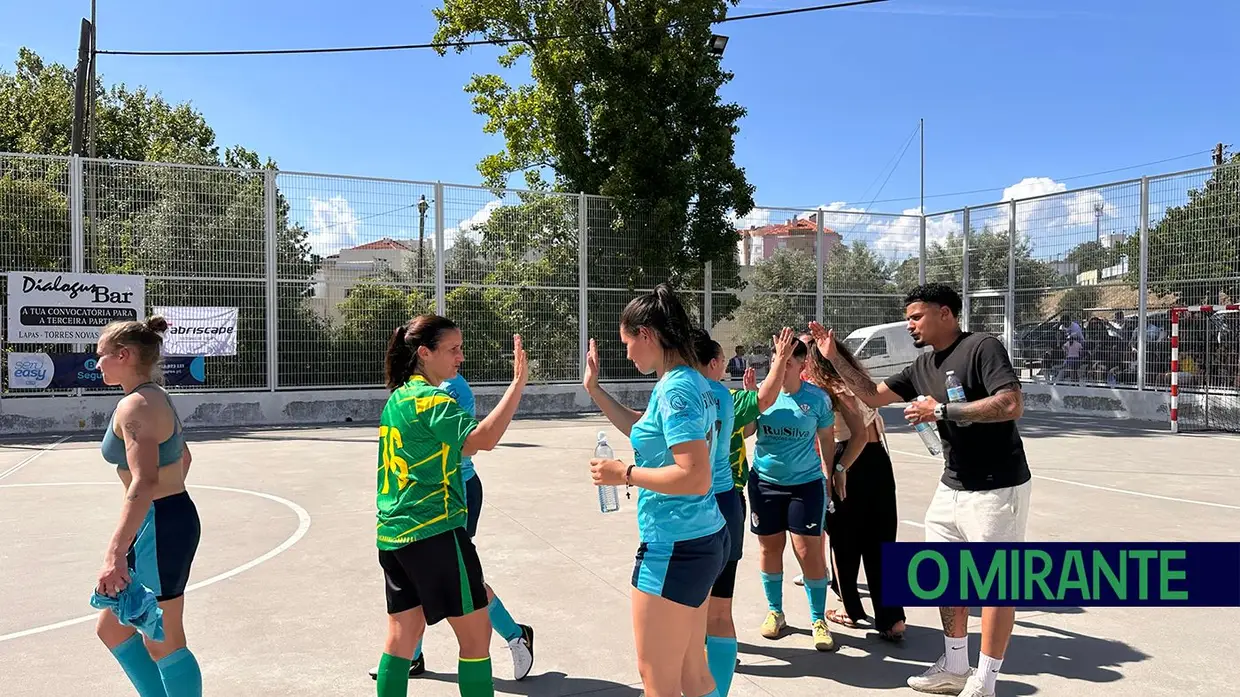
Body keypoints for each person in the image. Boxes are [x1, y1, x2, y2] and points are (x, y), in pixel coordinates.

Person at [809, 282, 1031, 697]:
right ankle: (955, 666)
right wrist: (833, 356)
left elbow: (1011, 404)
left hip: (998, 487)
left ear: (945, 313)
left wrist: (942, 410)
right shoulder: (923, 365)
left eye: (916, 316)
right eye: (908, 318)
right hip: (952, 484)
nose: (909, 324)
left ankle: (985, 681)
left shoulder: (982, 348)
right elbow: (872, 395)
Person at [583, 284, 727, 697]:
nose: (627, 354)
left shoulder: (676, 389)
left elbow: (694, 476)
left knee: (657, 680)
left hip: (675, 545)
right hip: (700, 537)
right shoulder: (689, 381)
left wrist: (625, 474)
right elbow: (645, 431)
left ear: (646, 334)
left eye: (628, 343)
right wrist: (595, 390)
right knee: (692, 674)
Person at [374, 315, 529, 697]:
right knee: (476, 637)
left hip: (393, 533)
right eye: (453, 349)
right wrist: (517, 385)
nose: (460, 357)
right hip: (434, 530)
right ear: (424, 353)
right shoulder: (431, 400)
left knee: (402, 635)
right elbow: (483, 439)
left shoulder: (398, 398)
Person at [94, 315, 203, 697]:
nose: (97, 363)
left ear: (123, 355)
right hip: (161, 519)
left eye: (102, 355)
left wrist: (115, 553)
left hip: (160, 525)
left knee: (163, 640)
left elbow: (144, 481)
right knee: (113, 628)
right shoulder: (153, 397)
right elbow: (184, 458)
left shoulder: (136, 406)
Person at [802, 336, 907, 642]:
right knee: (882, 540)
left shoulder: (833, 388)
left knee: (844, 541)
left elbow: (857, 435)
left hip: (851, 459)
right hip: (879, 461)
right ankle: (892, 619)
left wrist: (838, 469)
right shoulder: (859, 381)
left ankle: (850, 609)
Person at [747, 330, 837, 652]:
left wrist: (831, 476)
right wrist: (750, 401)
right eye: (776, 359)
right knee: (770, 549)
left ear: (802, 365)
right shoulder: (762, 394)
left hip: (806, 485)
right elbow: (747, 432)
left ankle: (818, 619)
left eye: (786, 361)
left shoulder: (818, 399)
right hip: (765, 484)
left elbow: (827, 441)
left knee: (807, 552)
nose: (780, 366)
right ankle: (776, 612)